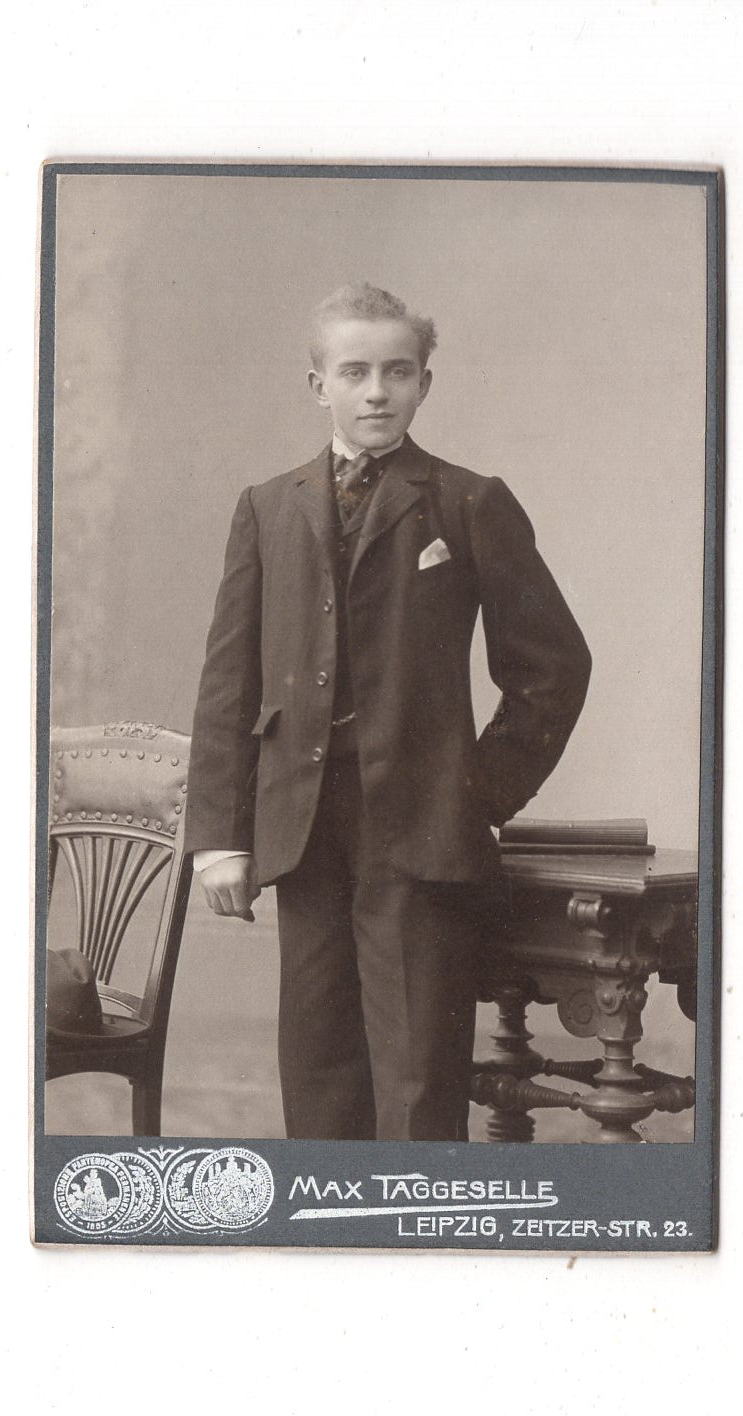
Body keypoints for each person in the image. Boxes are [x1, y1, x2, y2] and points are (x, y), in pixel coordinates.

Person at [186, 282, 591, 1141]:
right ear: (318, 385)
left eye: (397, 372)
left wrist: (474, 792)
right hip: (302, 827)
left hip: (418, 830)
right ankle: (327, 1219)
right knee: (318, 1065)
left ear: (423, 384)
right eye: (355, 371)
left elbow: (552, 667)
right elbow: (228, 683)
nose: (377, 391)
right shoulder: (267, 507)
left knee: (415, 1076)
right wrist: (221, 835)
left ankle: (415, 1218)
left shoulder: (466, 501)